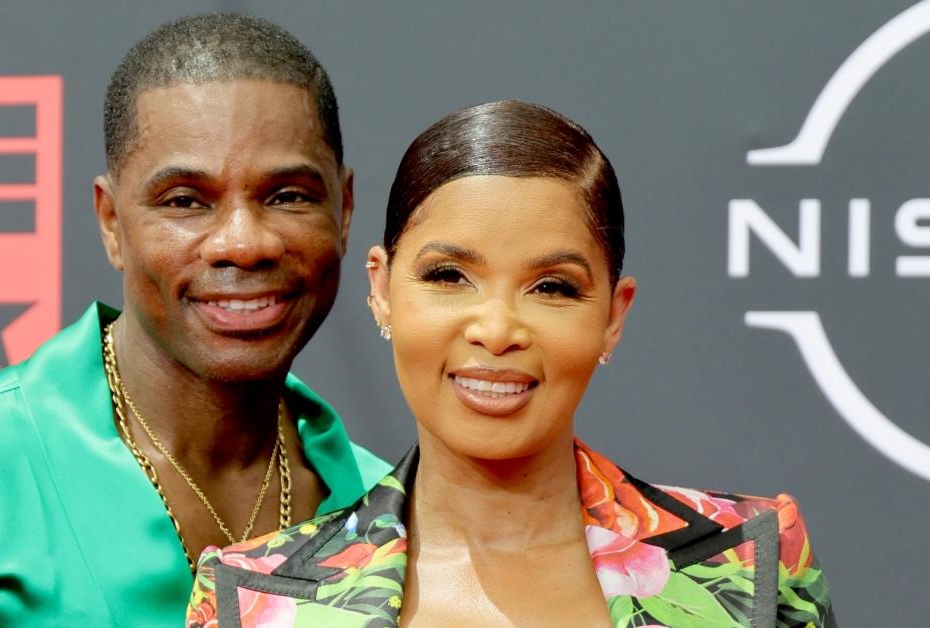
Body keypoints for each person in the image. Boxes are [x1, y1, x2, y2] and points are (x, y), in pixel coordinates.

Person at [0, 14, 390, 626]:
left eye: (287, 196)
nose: (242, 242)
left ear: (343, 211)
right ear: (111, 223)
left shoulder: (387, 509)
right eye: (185, 201)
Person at [186, 101, 835, 627]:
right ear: (382, 290)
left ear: (613, 313)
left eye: (551, 287)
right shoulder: (252, 603)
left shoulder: (752, 563)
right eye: (448, 276)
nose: (497, 330)